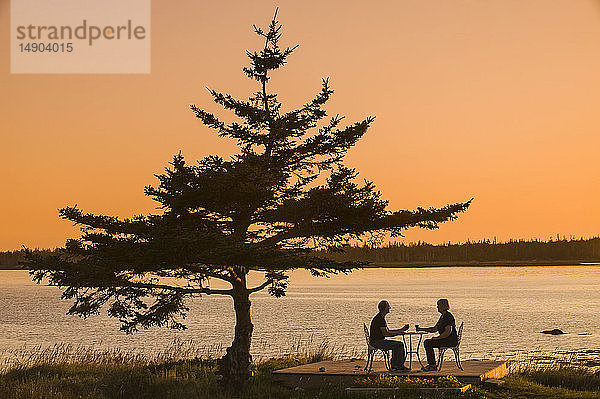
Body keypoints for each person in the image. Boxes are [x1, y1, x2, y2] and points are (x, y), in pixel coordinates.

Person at [416, 298, 458, 371]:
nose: (437, 307)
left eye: (438, 305)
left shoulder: (448, 316)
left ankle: (432, 365)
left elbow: (448, 332)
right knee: (428, 342)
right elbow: (435, 329)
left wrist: (438, 338)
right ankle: (432, 364)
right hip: (445, 339)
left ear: (442, 306)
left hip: (450, 340)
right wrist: (421, 329)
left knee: (428, 343)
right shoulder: (442, 316)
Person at [369, 300, 410, 371]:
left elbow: (388, 331)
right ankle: (398, 366)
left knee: (397, 345)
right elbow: (386, 334)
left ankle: (395, 365)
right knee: (399, 345)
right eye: (388, 307)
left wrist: (400, 330)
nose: (389, 308)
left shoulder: (380, 317)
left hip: (377, 341)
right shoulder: (380, 319)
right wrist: (398, 333)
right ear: (384, 308)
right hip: (377, 342)